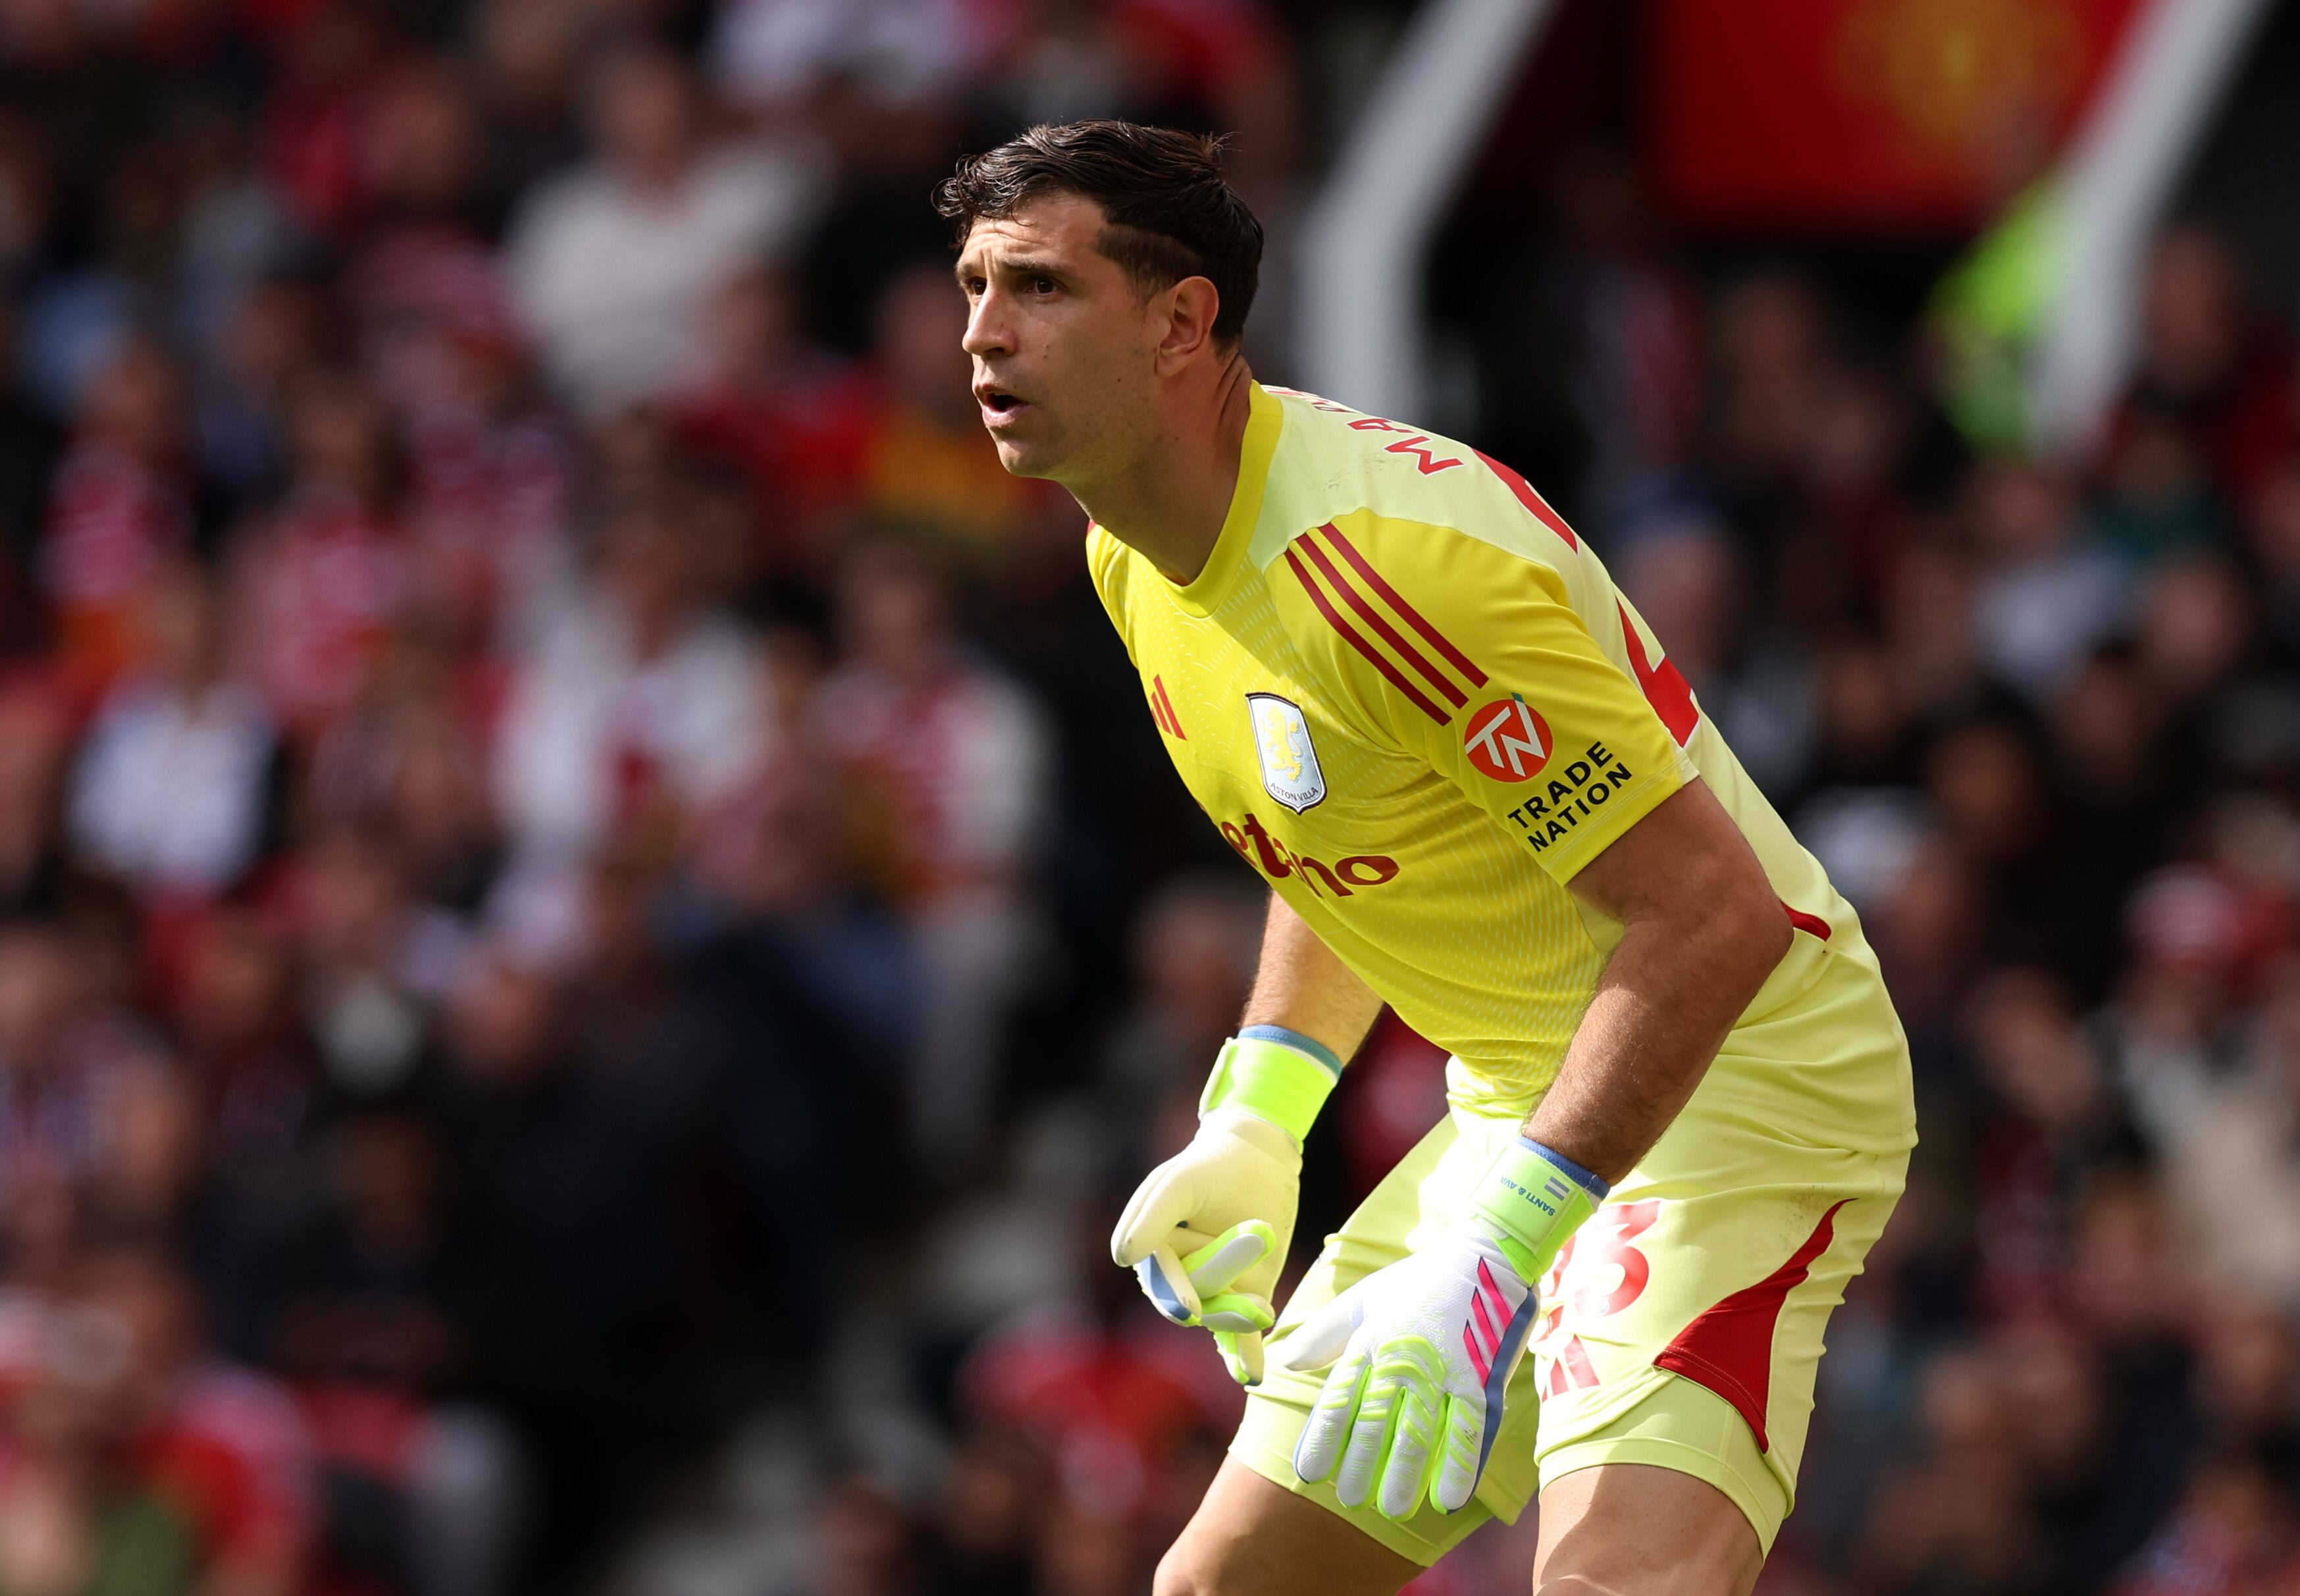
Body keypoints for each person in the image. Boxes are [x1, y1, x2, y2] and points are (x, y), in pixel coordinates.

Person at [937, 120, 1917, 1595]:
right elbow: (1345, 829)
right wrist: (1260, 1117)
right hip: (1529, 1102)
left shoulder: (1393, 564)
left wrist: (1494, 1251)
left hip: (1739, 1091)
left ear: (1182, 323)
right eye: (969, 287)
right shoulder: (1131, 549)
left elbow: (1717, 920)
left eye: (1039, 288)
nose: (981, 335)